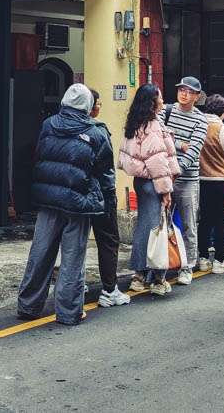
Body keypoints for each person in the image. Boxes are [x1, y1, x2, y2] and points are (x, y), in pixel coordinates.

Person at [17, 84, 114, 325]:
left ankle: (29, 305)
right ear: (88, 106)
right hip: (78, 202)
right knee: (73, 257)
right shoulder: (96, 134)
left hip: (49, 199)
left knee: (40, 252)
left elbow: (40, 155)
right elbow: (106, 174)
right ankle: (69, 311)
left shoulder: (48, 124)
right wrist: (109, 202)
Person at [118, 84, 179, 296]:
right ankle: (155, 277)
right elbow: (158, 162)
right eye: (160, 97)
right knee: (156, 229)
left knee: (145, 226)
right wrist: (165, 191)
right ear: (153, 102)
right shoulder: (152, 125)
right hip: (154, 182)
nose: (163, 100)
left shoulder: (136, 122)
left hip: (141, 181)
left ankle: (140, 274)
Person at [159, 77, 208, 286]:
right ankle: (160, 266)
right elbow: (159, 136)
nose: (184, 93)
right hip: (164, 177)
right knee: (161, 223)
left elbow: (194, 150)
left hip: (187, 179)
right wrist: (180, 144)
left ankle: (187, 266)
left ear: (197, 96)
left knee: (189, 224)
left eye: (189, 91)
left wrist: (175, 172)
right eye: (181, 89)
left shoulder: (201, 120)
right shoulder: (166, 111)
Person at [87, 89, 129, 308]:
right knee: (108, 240)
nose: (99, 106)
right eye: (98, 103)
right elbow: (105, 171)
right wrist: (110, 196)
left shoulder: (56, 125)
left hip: (73, 195)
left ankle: (75, 284)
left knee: (74, 240)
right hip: (99, 195)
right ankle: (109, 289)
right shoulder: (98, 131)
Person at [197, 94, 224, 274]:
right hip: (223, 180)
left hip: (202, 179)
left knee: (205, 220)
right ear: (223, 113)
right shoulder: (223, 129)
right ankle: (220, 260)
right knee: (222, 220)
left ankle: (202, 258)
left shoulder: (198, 126)